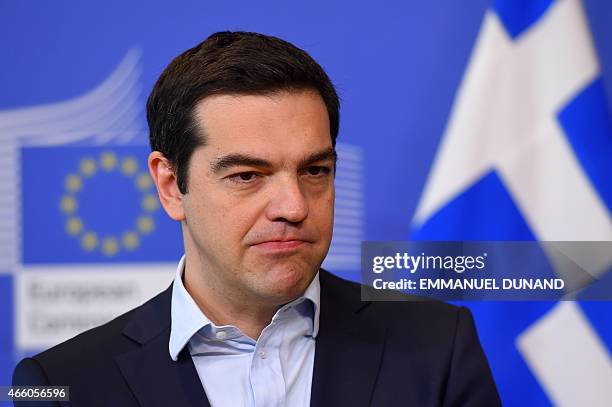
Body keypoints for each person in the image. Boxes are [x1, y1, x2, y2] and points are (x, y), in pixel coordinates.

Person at [13, 31, 501, 406]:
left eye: (315, 170)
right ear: (169, 185)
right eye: (248, 175)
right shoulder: (61, 383)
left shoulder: (439, 347)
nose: (294, 207)